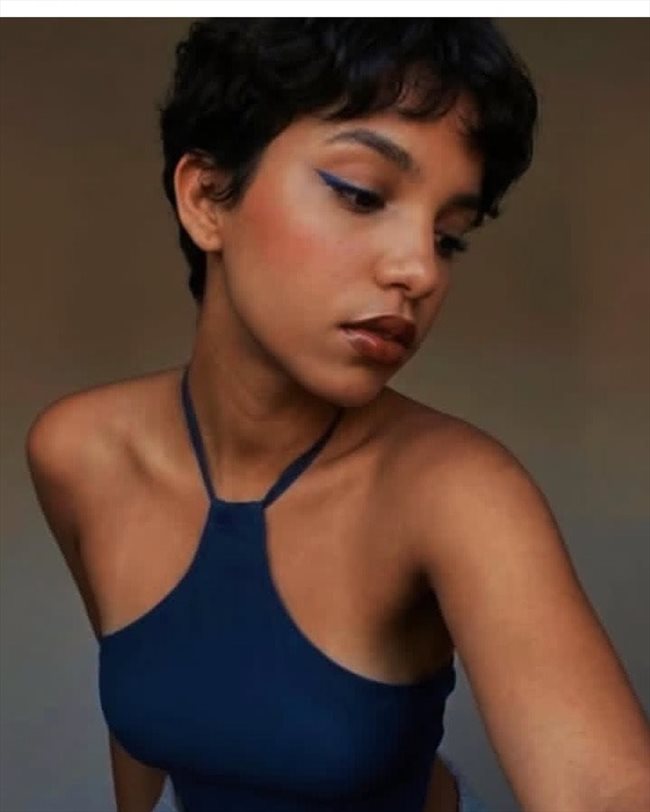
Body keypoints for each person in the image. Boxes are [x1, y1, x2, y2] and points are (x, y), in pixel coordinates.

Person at [25, 18, 650, 812]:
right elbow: (155, 708)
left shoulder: (456, 491)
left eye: (449, 238)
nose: (420, 270)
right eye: (361, 195)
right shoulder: (78, 454)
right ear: (207, 198)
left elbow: (603, 788)